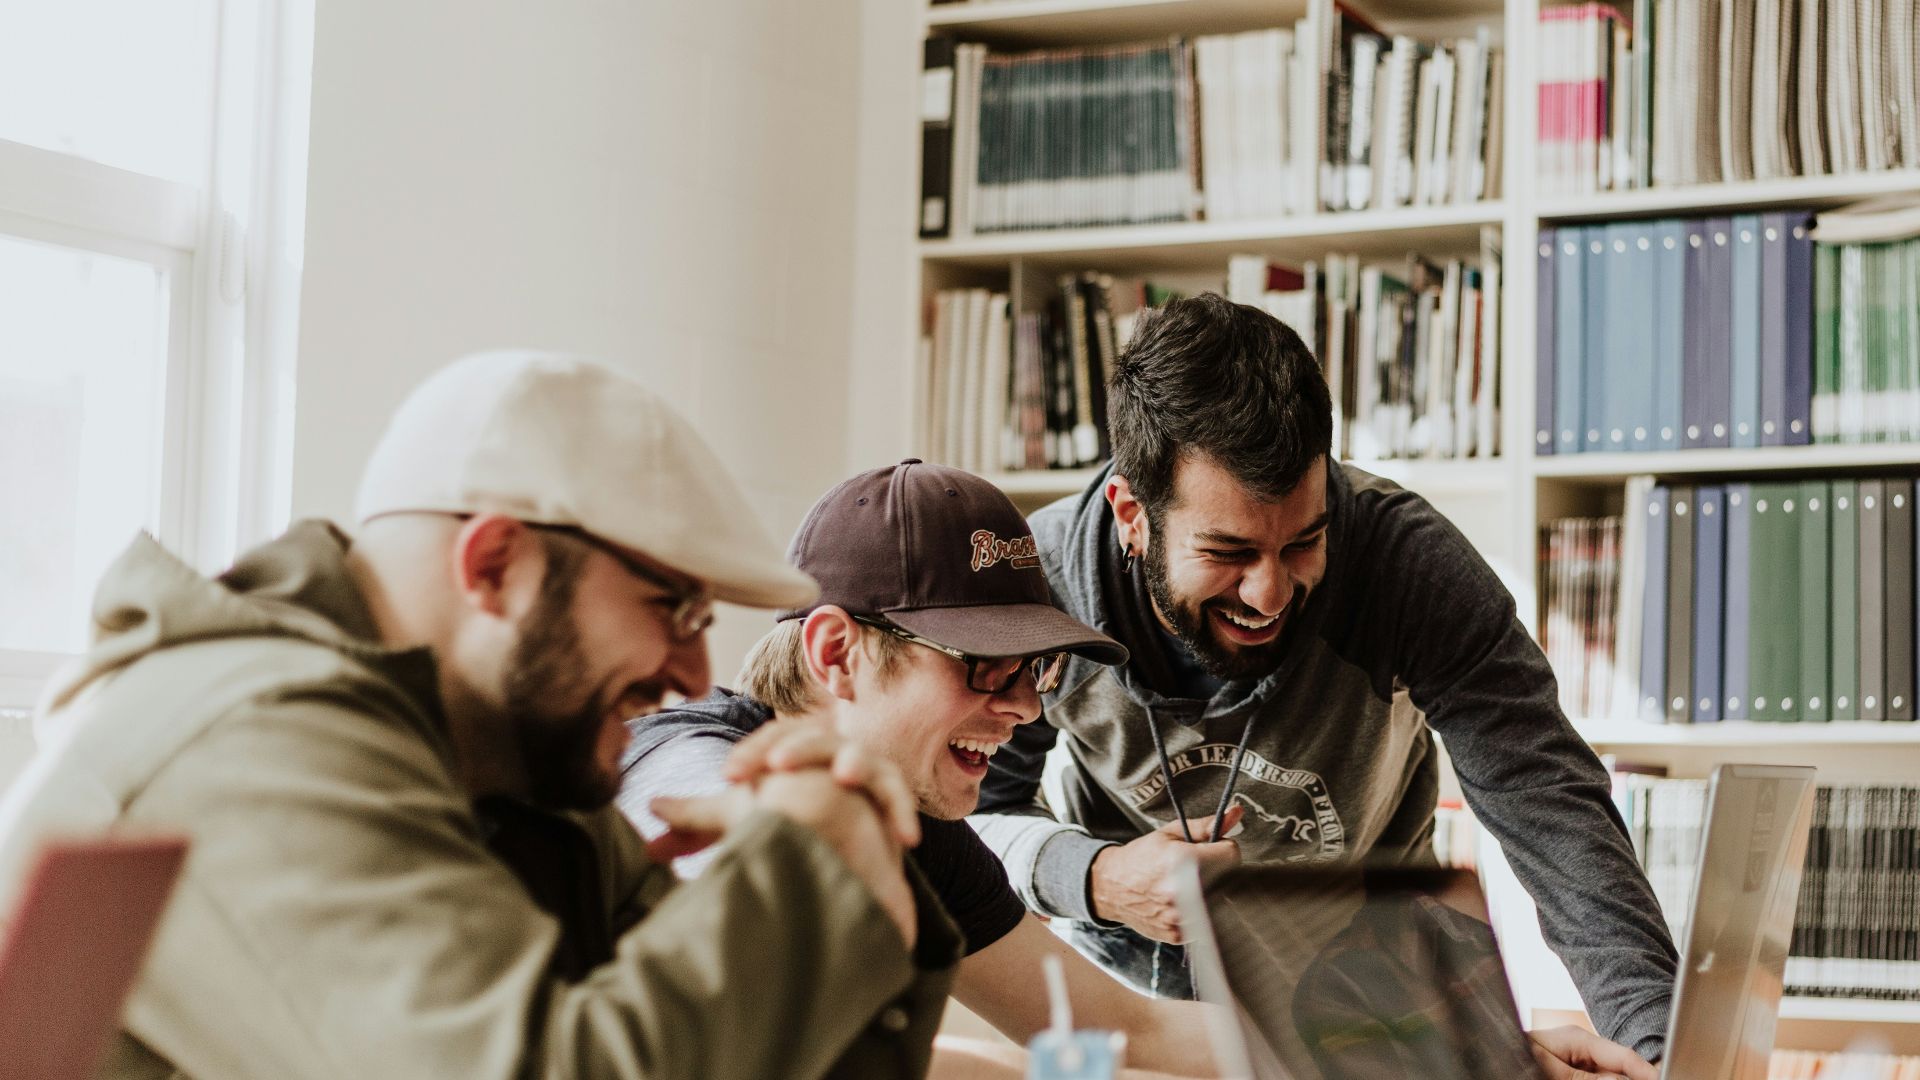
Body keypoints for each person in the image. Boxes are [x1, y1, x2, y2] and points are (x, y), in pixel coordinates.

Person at [0, 352, 959, 1079]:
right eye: (670, 606)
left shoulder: (506, 761)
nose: (694, 670)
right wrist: (809, 865)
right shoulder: (251, 744)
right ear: (494, 564)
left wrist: (861, 863)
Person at [969, 294, 1678, 1075]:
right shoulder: (1040, 587)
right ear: (1132, 513)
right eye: (1229, 552)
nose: (1270, 593)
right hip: (1128, 1004)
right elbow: (969, 819)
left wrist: (1661, 1048)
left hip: (1368, 980)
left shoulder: (1407, 563)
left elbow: (1550, 804)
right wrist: (1095, 877)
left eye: (1303, 542)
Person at [620, 460, 1219, 1080]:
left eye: (1036, 666)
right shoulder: (679, 758)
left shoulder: (917, 823)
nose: (1027, 706)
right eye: (988, 664)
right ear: (836, 653)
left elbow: (1131, 1030)